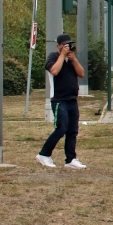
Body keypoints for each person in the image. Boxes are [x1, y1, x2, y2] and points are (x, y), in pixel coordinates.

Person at [36, 34, 86, 169]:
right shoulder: (53, 57)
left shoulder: (71, 60)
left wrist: (74, 60)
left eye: (69, 45)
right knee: (61, 128)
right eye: (64, 45)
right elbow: (54, 71)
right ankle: (44, 154)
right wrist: (62, 56)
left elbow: (81, 74)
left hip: (72, 100)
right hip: (59, 100)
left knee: (72, 131)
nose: (67, 47)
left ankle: (71, 159)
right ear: (58, 45)